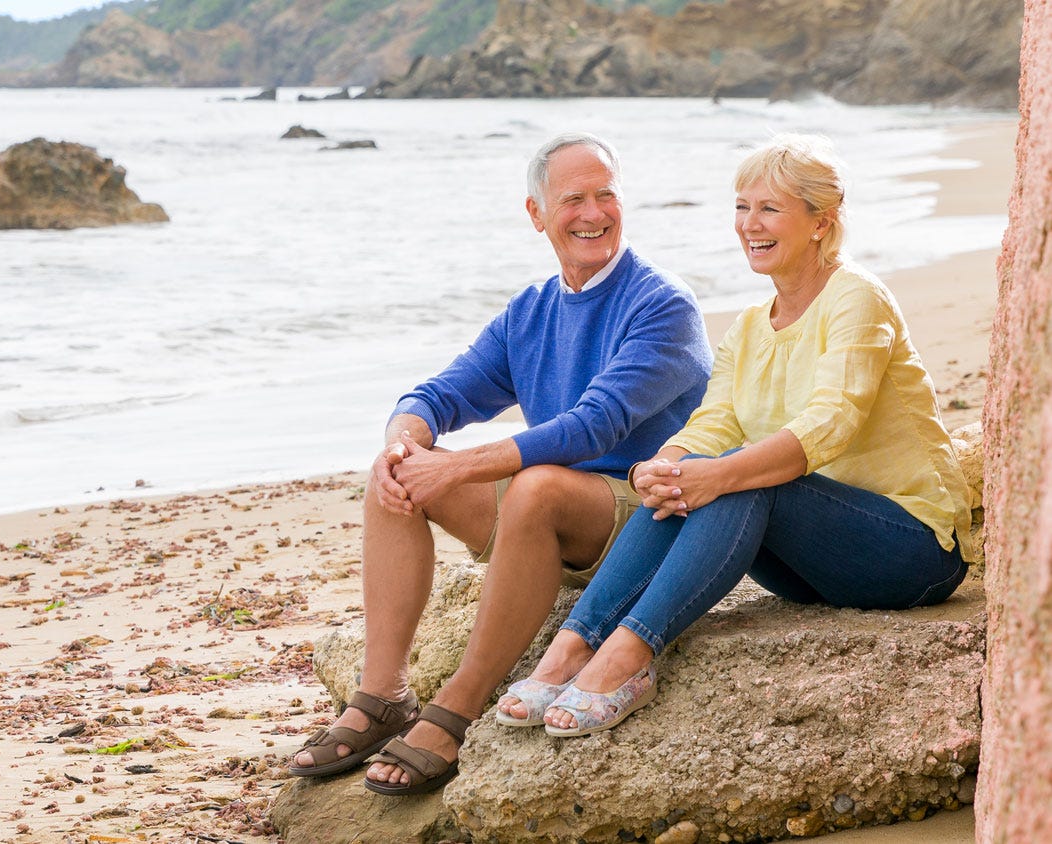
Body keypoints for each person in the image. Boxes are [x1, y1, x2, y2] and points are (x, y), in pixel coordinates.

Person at [497, 133, 976, 739]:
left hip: (911, 549)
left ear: (821, 223)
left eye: (770, 208)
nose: (751, 224)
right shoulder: (750, 326)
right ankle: (570, 648)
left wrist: (716, 473)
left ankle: (627, 657)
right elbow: (711, 422)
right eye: (742, 207)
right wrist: (662, 465)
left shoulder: (858, 298)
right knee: (696, 472)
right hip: (809, 564)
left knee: (744, 476)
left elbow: (833, 420)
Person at [286, 133, 714, 795]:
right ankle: (382, 697)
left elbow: (593, 426)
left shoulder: (662, 306)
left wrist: (459, 468)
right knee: (399, 471)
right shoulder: (533, 309)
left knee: (534, 486)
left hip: (642, 518)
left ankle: (456, 707)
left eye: (606, 194)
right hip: (548, 512)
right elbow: (439, 394)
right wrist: (404, 441)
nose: (592, 212)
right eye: (573, 198)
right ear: (537, 214)